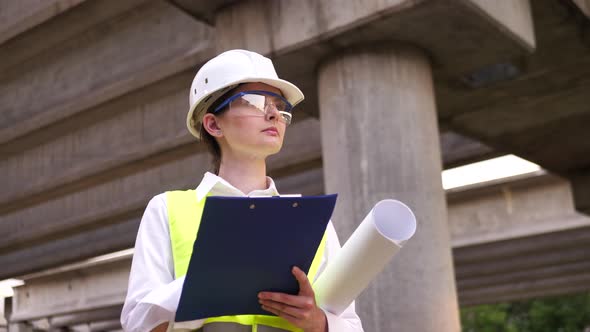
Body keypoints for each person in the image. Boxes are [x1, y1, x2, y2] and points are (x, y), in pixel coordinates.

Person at [120, 49, 364, 332]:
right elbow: (137, 324)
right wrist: (203, 283)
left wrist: (319, 323)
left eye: (280, 105)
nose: (274, 114)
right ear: (213, 124)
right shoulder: (167, 209)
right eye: (256, 102)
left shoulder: (313, 221)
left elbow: (351, 325)